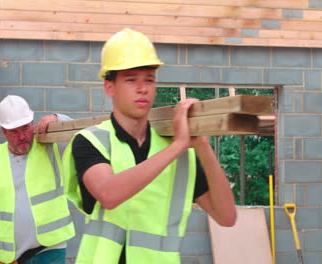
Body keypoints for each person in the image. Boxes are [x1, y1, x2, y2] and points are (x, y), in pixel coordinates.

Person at [64, 28, 237, 264]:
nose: (142, 88)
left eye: (149, 79)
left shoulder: (180, 154)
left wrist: (203, 146)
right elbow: (109, 194)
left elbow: (227, 217)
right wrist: (178, 146)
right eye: (131, 79)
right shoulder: (91, 141)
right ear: (109, 87)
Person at [0, 95, 75, 264]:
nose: (22, 136)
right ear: (4, 132)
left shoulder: (50, 147)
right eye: (14, 131)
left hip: (50, 250)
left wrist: (57, 118)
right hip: (11, 257)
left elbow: (79, 135)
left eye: (25, 128)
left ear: (32, 123)